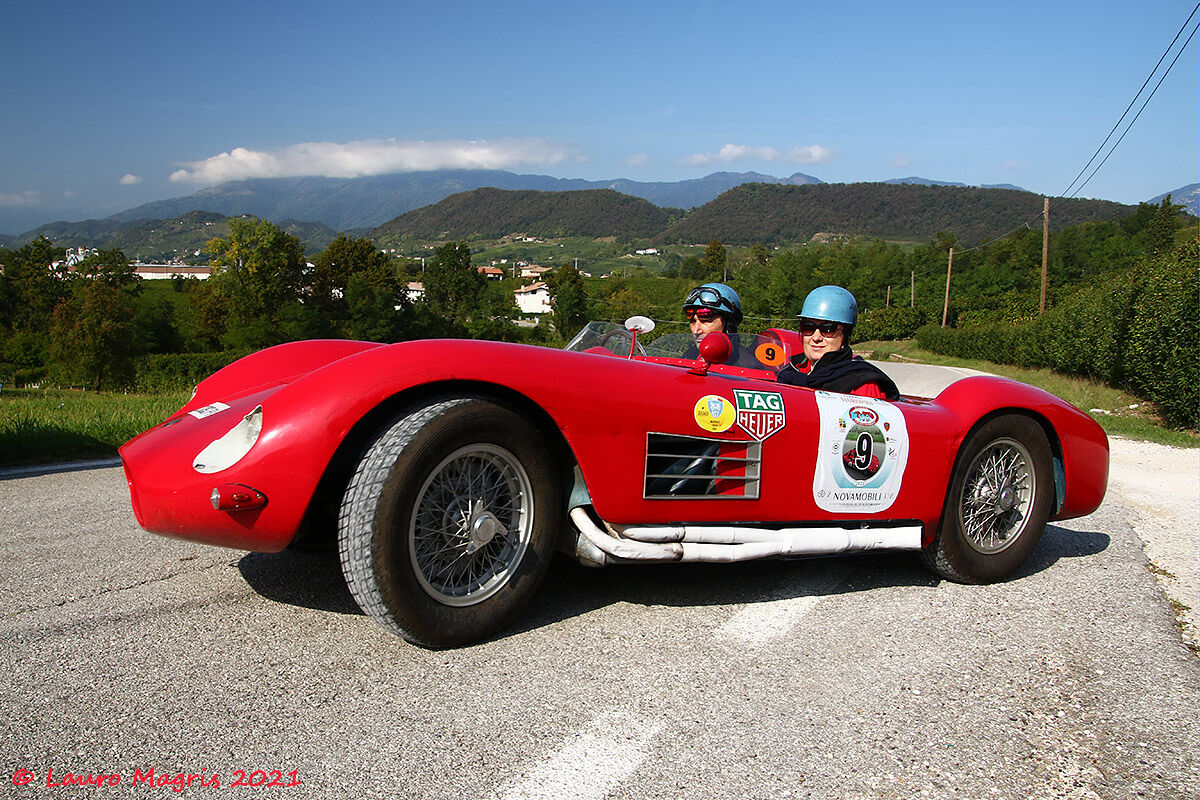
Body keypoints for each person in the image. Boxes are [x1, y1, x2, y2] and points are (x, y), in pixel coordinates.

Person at [776, 285, 900, 400]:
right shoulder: (792, 370)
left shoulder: (861, 381)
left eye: (828, 329)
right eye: (808, 327)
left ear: (845, 334)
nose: (816, 337)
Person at [681, 282, 760, 369]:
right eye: (693, 321)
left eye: (706, 320)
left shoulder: (748, 368)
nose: (696, 330)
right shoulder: (690, 356)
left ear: (729, 324)